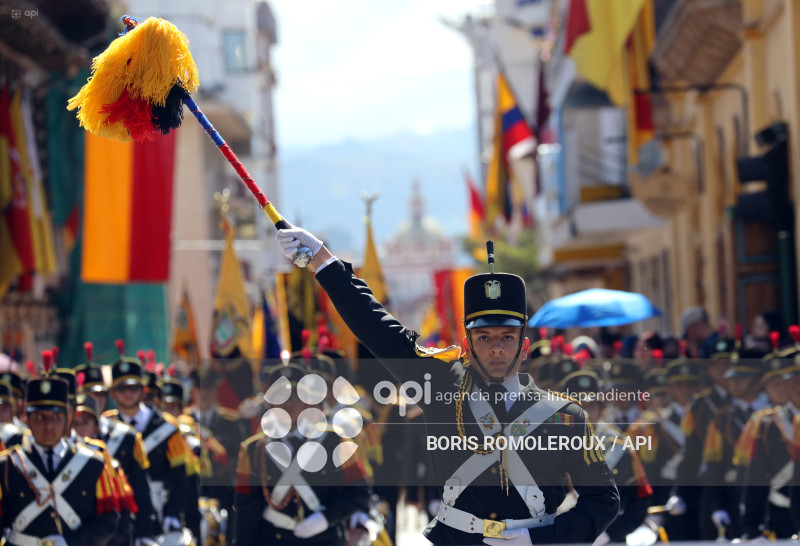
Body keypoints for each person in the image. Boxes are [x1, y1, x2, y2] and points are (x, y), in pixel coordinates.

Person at [276, 226, 619, 544]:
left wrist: (539, 540)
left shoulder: (565, 415)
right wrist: (322, 259)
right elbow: (376, 327)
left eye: (507, 337)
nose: (496, 347)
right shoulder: (441, 383)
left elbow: (603, 501)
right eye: (483, 337)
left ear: (524, 347)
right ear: (468, 347)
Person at [234, 363, 371, 545]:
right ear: (270, 402)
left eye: (295, 395)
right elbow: (246, 511)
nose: (288, 402)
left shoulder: (335, 441)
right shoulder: (253, 449)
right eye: (280, 395)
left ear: (307, 400)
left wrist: (326, 518)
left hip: (324, 539)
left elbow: (359, 493)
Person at [0, 358, 119, 545]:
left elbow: (108, 522)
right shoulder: (7, 466)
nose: (48, 425)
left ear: (68, 418)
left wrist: (70, 541)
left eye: (56, 417)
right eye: (40, 417)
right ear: (27, 419)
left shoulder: (93, 464)